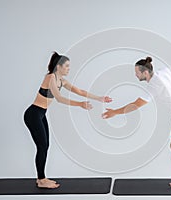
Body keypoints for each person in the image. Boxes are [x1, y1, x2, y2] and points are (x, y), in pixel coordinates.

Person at [102, 57, 171, 189]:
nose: (135, 75)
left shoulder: (153, 86)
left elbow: (135, 106)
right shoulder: (163, 71)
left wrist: (115, 112)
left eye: (137, 72)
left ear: (145, 73)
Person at [24, 52, 112, 189]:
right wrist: (80, 104)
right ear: (58, 67)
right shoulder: (50, 78)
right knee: (42, 146)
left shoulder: (62, 81)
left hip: (41, 114)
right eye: (66, 66)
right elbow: (59, 98)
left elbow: (80, 91)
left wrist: (99, 98)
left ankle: (41, 178)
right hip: (33, 114)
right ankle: (41, 180)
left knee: (45, 146)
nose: (68, 69)